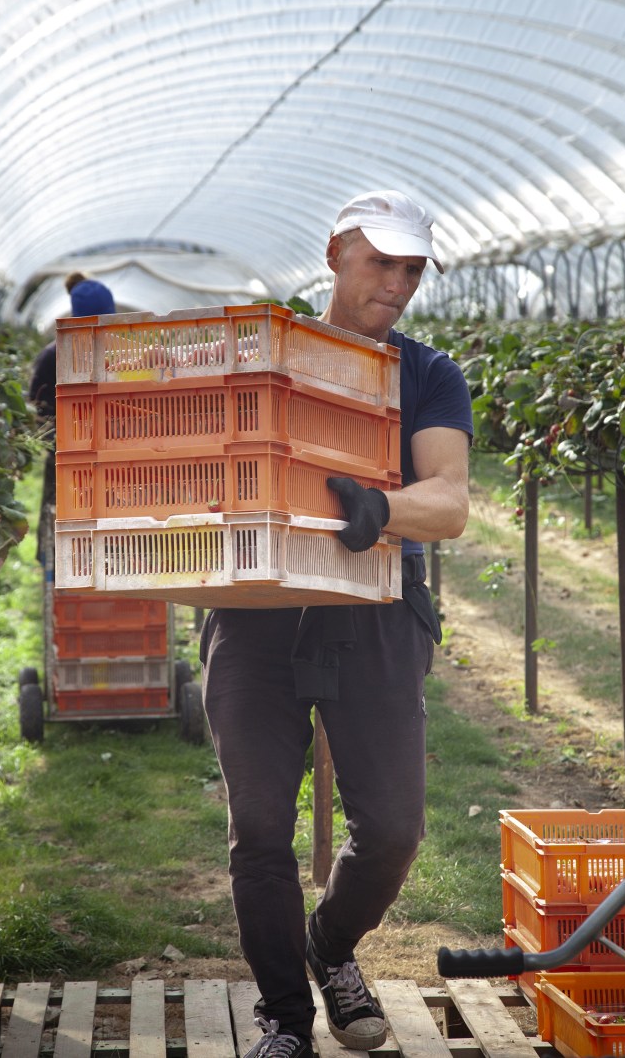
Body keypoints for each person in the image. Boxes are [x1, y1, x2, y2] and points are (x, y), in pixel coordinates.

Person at [199, 190, 473, 1058]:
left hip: (378, 615)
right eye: (379, 262)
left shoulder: (427, 374)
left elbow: (451, 500)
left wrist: (379, 508)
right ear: (333, 253)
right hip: (256, 620)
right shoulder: (264, 356)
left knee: (393, 830)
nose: (396, 283)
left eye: (412, 269)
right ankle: (285, 1014)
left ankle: (331, 947)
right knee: (262, 832)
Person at [28, 272, 116, 561]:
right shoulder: (120, 351)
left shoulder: (51, 355)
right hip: (95, 455)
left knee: (71, 517)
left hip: (73, 454)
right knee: (93, 517)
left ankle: (62, 570)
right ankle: (71, 572)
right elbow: (38, 410)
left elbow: (36, 407)